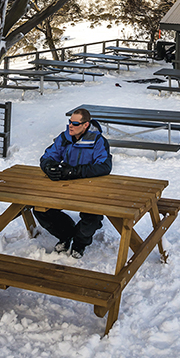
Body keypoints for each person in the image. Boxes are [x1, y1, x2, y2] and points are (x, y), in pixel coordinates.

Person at [37, 108, 113, 258]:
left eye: (75, 123)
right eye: (70, 122)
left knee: (93, 216)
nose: (70, 126)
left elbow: (104, 166)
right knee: (40, 209)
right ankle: (66, 235)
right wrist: (48, 166)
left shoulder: (98, 141)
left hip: (91, 188)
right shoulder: (65, 137)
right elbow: (48, 155)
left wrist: (75, 171)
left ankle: (79, 243)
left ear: (86, 125)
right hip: (66, 186)